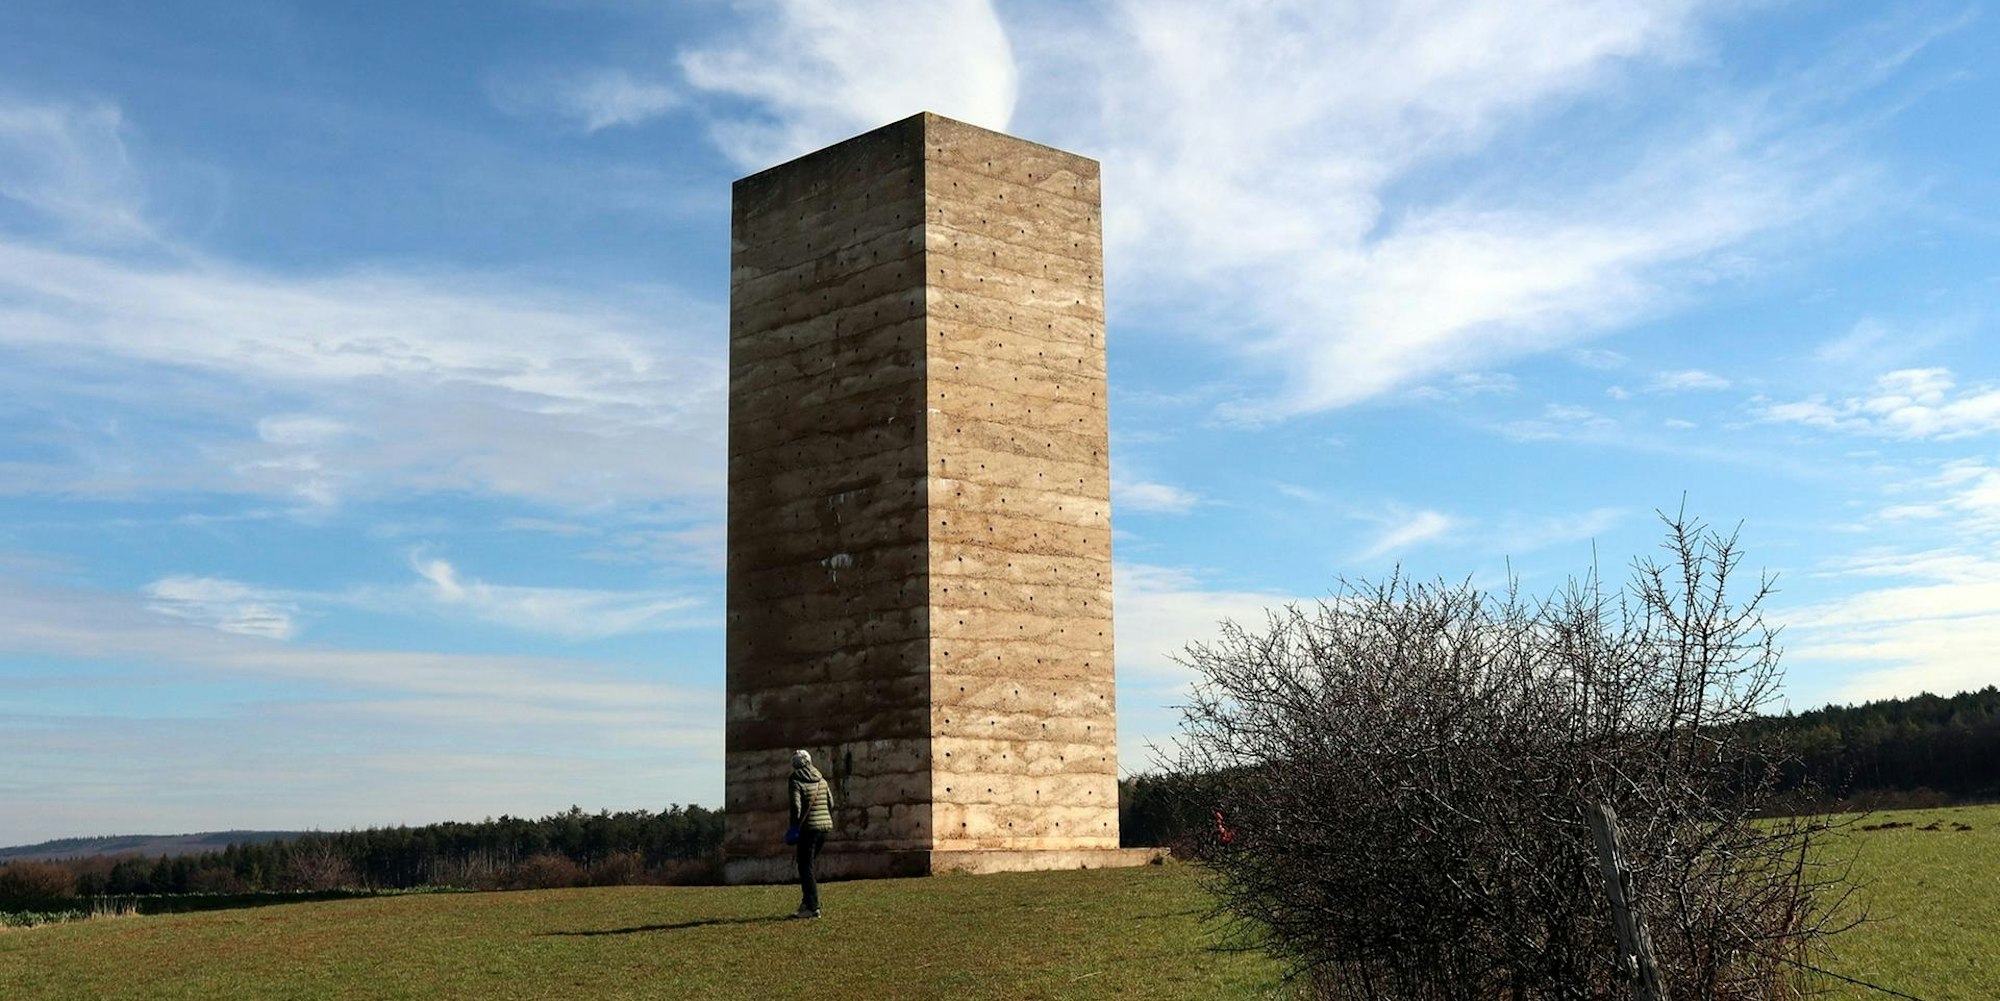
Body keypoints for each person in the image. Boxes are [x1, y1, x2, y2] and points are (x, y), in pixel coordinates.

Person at [788, 748, 834, 918]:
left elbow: (796, 807)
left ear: (795, 765)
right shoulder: (821, 779)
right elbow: (831, 803)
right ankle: (806, 902)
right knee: (808, 865)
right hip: (825, 827)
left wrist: (794, 826)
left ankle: (812, 907)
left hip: (808, 829)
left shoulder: (795, 779)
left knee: (805, 866)